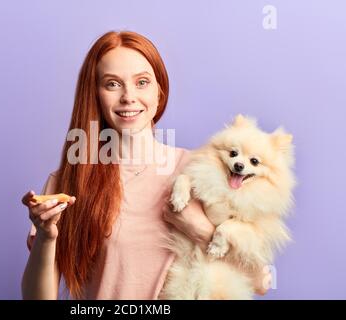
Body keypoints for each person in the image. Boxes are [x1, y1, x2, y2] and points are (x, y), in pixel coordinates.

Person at [21, 30, 271, 300]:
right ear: (95, 95)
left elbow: (259, 281)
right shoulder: (68, 182)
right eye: (112, 84)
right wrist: (46, 237)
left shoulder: (200, 170)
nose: (128, 96)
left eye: (142, 82)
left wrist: (202, 231)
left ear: (159, 93)